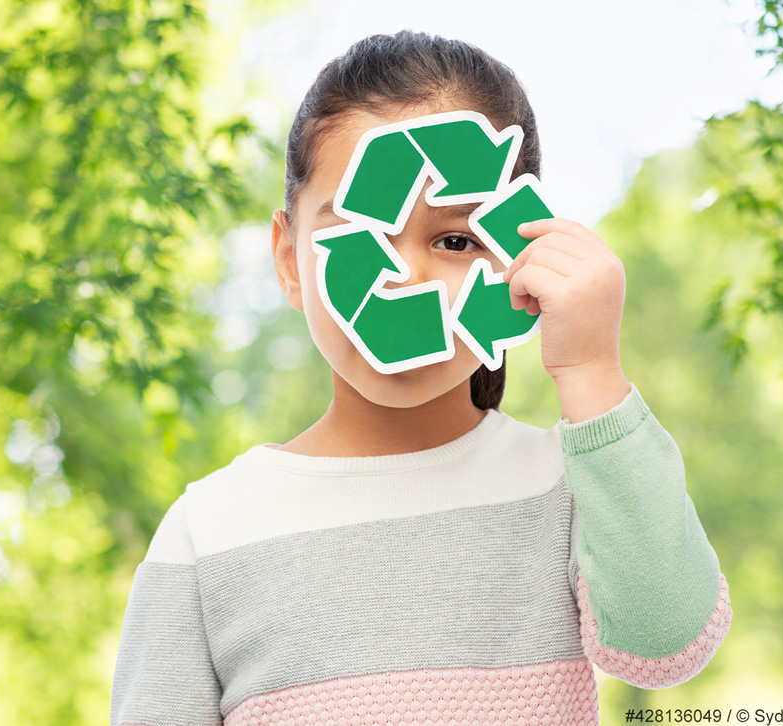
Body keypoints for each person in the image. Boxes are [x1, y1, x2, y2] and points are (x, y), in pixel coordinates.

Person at [110, 30, 732, 726]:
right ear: (291, 259)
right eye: (364, 232)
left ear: (519, 251)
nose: (406, 279)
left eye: (456, 240)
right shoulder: (209, 531)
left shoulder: (572, 484)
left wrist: (590, 371)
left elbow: (664, 643)